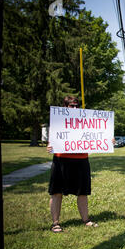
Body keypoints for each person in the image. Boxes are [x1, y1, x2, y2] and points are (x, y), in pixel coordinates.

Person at [47, 96, 98, 233]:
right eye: (71, 106)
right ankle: (55, 223)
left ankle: (86, 220)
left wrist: (108, 139)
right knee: (56, 192)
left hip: (81, 159)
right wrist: (49, 146)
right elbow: (52, 141)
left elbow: (97, 134)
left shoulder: (86, 121)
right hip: (61, 159)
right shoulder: (57, 121)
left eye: (76, 106)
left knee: (83, 192)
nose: (74, 108)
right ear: (65, 107)